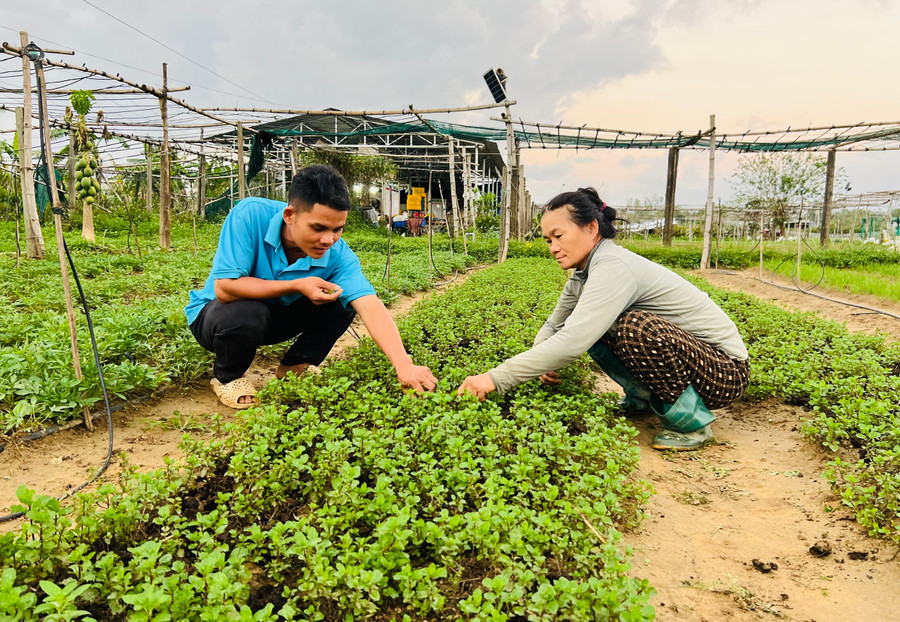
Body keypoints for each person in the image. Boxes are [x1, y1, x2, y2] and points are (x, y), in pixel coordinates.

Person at [457, 187, 749, 450]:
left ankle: (691, 426)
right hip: (697, 363)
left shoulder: (613, 266)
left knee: (636, 329)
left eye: (559, 236)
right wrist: (538, 361)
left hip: (725, 372)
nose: (553, 247)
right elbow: (555, 325)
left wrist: (495, 378)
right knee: (600, 329)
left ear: (591, 227)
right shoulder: (585, 273)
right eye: (547, 240)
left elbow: (572, 341)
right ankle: (644, 400)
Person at [186, 165, 437, 409]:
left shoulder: (338, 254)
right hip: (218, 318)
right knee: (248, 312)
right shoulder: (250, 215)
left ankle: (296, 364)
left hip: (272, 321)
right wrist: (298, 285)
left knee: (342, 300)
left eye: (337, 229)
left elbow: (369, 304)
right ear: (290, 216)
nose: (328, 240)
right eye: (318, 228)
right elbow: (226, 289)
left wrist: (403, 364)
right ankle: (227, 377)